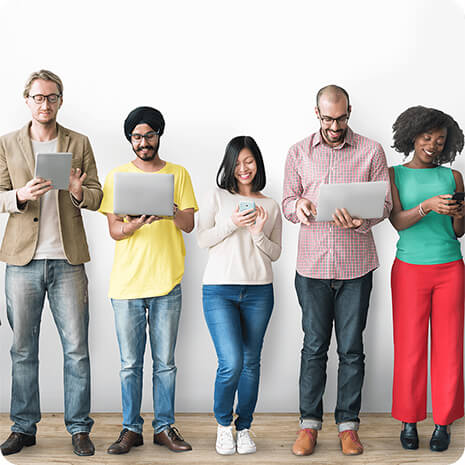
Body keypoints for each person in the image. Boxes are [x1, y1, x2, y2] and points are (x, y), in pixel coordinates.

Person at [282, 85, 392, 456]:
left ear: (349, 112)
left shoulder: (371, 150)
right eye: (328, 118)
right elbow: (286, 200)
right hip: (312, 265)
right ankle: (308, 426)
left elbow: (386, 205)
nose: (334, 125)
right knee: (313, 348)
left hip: (356, 265)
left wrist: (362, 220)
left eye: (341, 118)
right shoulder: (298, 152)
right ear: (317, 113)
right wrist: (300, 207)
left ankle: (348, 426)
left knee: (351, 349)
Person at [0, 70, 102, 457]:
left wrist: (78, 192)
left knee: (76, 348)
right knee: (22, 348)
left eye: (52, 97)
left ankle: (79, 429)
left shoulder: (79, 142)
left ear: (61, 100)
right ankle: (24, 428)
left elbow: (96, 193)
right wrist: (19, 196)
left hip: (68, 260)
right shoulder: (7, 143)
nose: (45, 104)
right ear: (27, 100)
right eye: (39, 98)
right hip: (22, 261)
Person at [99, 106, 197, 455]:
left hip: (167, 283)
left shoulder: (178, 174)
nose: (144, 142)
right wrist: (135, 225)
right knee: (129, 364)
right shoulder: (116, 177)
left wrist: (169, 211)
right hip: (126, 286)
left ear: (159, 135)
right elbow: (114, 230)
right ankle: (130, 429)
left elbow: (188, 224)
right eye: (137, 136)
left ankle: (164, 427)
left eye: (150, 135)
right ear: (130, 139)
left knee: (165, 363)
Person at [197, 136, 282, 455]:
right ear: (229, 166)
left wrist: (258, 233)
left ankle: (244, 428)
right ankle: (223, 426)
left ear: (257, 163)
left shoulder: (271, 205)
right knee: (231, 362)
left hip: (260, 291)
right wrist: (232, 224)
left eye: (249, 161)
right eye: (237, 162)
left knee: (250, 363)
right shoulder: (217, 197)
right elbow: (203, 239)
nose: (243, 168)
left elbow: (275, 253)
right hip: (219, 290)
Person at [389, 106, 464, 453]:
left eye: (440, 140)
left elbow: (458, 232)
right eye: (427, 137)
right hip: (409, 270)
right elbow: (398, 222)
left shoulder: (454, 178)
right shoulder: (395, 174)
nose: (433, 145)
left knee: (449, 348)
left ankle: (443, 423)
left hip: (450, 268)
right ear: (412, 136)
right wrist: (427, 206)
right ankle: (409, 420)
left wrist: (461, 213)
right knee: (410, 349)